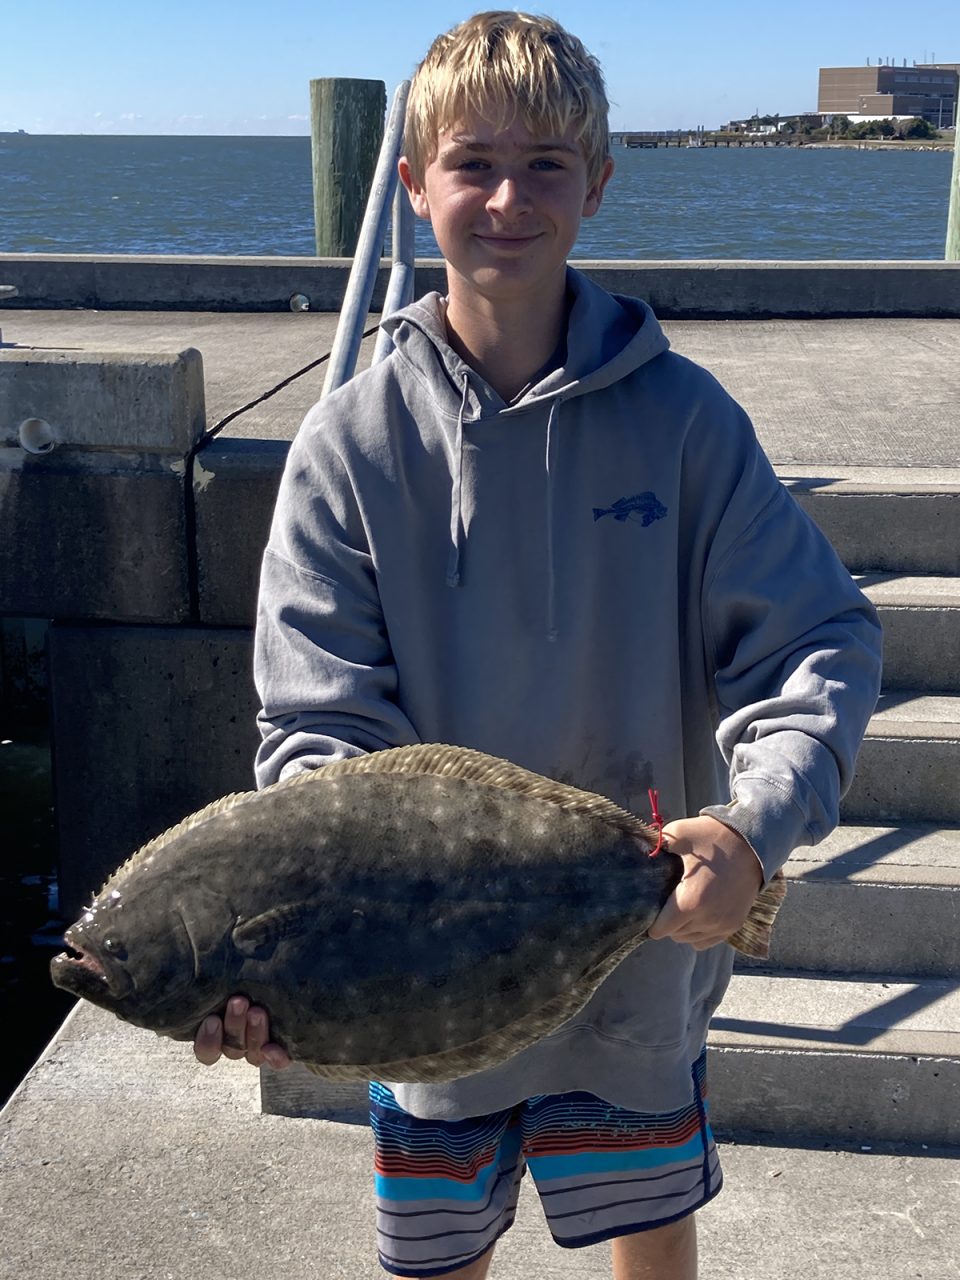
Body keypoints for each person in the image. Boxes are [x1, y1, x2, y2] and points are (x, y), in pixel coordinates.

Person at [195, 11, 882, 1278]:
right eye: (472, 163)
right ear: (410, 185)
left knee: (648, 1241)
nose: (508, 196)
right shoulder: (346, 447)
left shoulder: (686, 422)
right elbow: (314, 732)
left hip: (635, 982)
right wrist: (284, 949)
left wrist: (753, 830)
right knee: (438, 1255)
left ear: (599, 185)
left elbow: (818, 640)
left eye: (547, 165)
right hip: (422, 993)